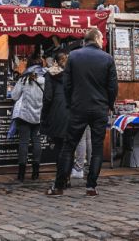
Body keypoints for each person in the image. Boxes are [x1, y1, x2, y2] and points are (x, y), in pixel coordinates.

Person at [47, 29, 118, 197]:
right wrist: (109, 104)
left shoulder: (74, 56)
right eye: (102, 38)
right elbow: (113, 86)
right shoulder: (107, 58)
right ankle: (91, 186)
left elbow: (67, 83)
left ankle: (59, 186)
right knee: (97, 148)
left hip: (78, 106)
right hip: (99, 107)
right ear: (97, 39)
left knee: (69, 145)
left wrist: (71, 102)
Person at [43, 52, 88, 185]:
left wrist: (45, 114)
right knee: (69, 147)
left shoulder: (50, 75)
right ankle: (66, 177)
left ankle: (61, 177)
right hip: (73, 113)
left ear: (56, 62)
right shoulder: (76, 75)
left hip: (57, 113)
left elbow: (47, 97)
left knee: (59, 148)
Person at [11, 55, 46, 182]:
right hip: (39, 116)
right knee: (37, 142)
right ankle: (35, 173)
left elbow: (14, 96)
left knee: (24, 142)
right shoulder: (46, 79)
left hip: (25, 115)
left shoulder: (24, 79)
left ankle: (21, 174)